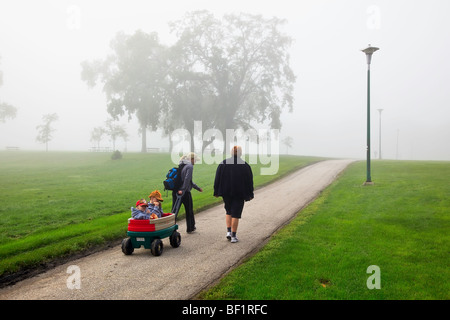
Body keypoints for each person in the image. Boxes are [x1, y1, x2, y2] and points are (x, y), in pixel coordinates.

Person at [214, 146, 254, 243]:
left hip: (226, 192)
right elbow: (249, 181)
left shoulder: (223, 163)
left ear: (231, 153)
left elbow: (217, 178)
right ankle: (233, 236)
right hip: (239, 193)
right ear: (240, 153)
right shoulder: (245, 165)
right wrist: (250, 193)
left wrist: (216, 191)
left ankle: (228, 232)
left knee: (228, 211)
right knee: (236, 214)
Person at [173, 152, 203, 233]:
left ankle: (170, 228)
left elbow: (188, 180)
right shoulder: (189, 166)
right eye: (195, 160)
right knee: (189, 210)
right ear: (192, 159)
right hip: (184, 192)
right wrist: (183, 190)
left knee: (174, 211)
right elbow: (187, 179)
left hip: (176, 191)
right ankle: (190, 227)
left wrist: (197, 188)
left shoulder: (182, 165)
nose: (195, 162)